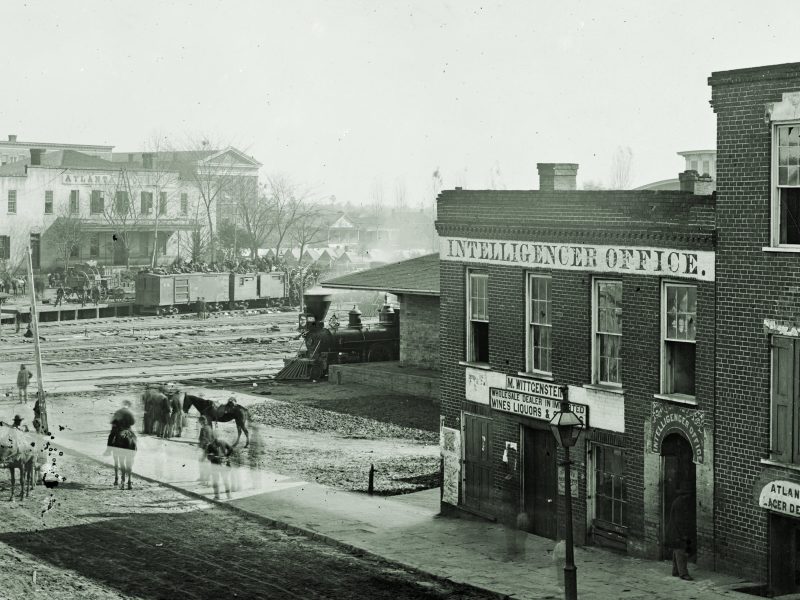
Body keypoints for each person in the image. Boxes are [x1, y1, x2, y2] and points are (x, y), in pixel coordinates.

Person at [667, 482, 694, 581]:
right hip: (677, 532)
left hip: (674, 531)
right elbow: (679, 521)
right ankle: (683, 573)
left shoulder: (679, 502)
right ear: (684, 495)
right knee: (681, 552)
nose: (689, 496)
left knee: (676, 551)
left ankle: (675, 570)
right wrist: (684, 535)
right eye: (688, 494)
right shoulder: (680, 504)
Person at [197, 416, 215, 485]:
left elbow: (202, 439)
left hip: (205, 448)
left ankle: (203, 478)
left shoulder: (203, 429)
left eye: (199, 421)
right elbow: (213, 437)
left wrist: (200, 445)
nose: (199, 423)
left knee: (202, 462)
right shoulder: (209, 427)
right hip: (211, 447)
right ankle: (205, 478)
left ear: (201, 421)